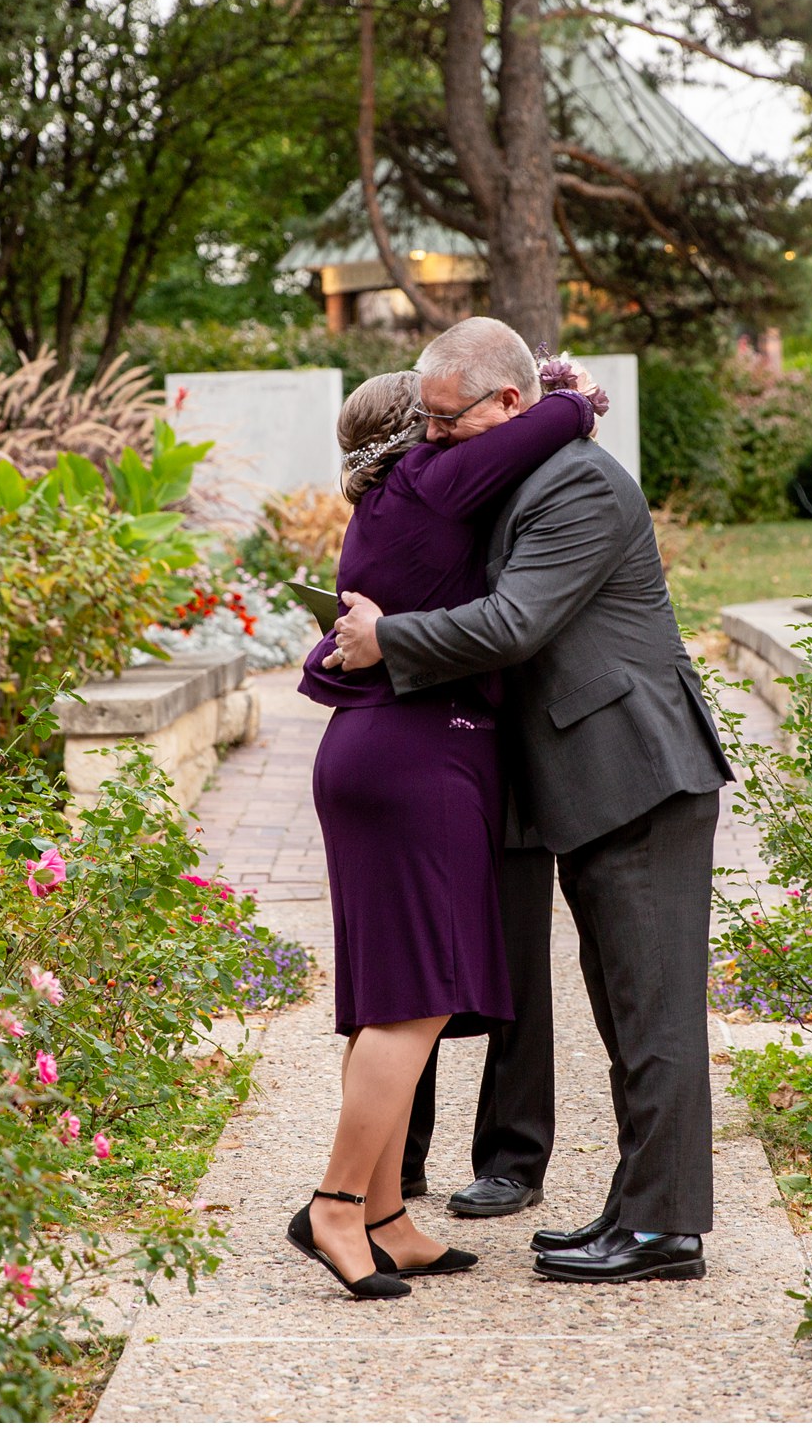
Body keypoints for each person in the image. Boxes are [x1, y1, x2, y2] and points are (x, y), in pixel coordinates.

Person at [332, 316, 734, 1285]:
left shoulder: (583, 486)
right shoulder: (526, 473)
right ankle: (638, 1211)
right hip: (591, 778)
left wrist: (392, 639)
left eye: (443, 420)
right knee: (624, 1006)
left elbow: (516, 622)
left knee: (653, 1013)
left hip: (638, 770)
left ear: (509, 402)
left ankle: (662, 1227)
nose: (429, 436)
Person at [289, 366, 599, 1300]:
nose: (445, 425)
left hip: (377, 754)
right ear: (412, 436)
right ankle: (337, 1204)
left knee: (387, 991)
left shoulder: (385, 500)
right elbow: (552, 422)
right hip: (416, 761)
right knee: (416, 997)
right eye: (429, 415)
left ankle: (386, 1215)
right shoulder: (426, 477)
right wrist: (564, 389)